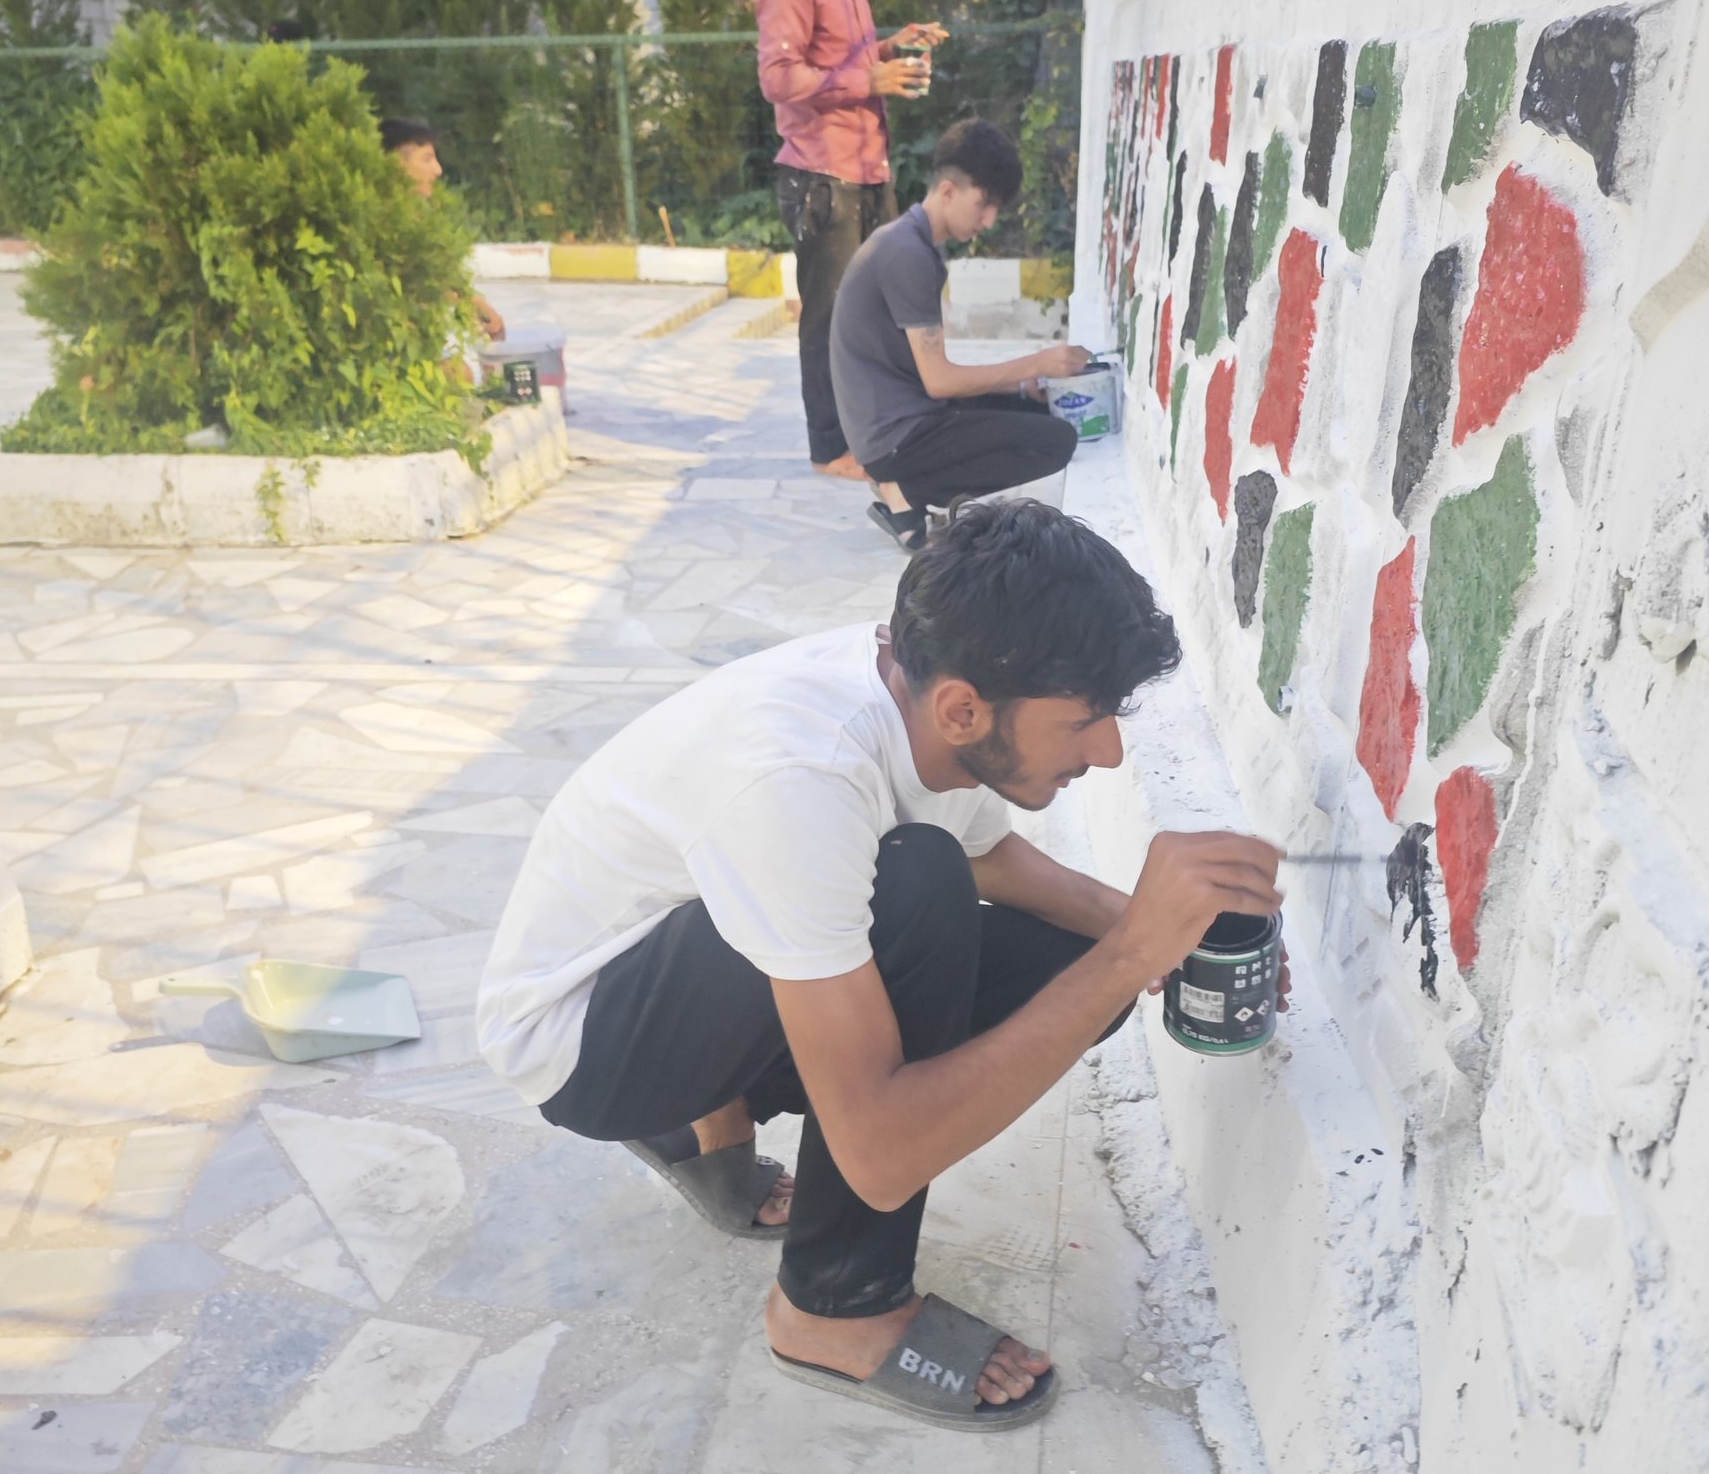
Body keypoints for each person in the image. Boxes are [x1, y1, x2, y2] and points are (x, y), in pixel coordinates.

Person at [477, 501, 1292, 1432]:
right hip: (588, 1045)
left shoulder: (919, 692)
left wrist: (1151, 934)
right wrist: (1132, 954)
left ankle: (718, 1124)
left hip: (675, 966)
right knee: (917, 888)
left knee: (1051, 953)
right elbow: (878, 1158)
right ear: (963, 709)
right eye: (1084, 722)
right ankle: (833, 1309)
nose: (1107, 753)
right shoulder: (802, 778)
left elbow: (997, 857)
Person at [756, 0, 949, 483]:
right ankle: (828, 447)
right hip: (821, 176)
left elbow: (847, 61)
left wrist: (893, 49)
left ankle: (883, 429)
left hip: (871, 170)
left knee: (886, 310)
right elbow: (779, 77)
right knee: (831, 320)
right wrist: (866, 81)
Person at [831, 118, 1093, 551]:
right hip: (894, 437)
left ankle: (906, 494)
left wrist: (1023, 384)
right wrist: (1039, 363)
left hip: (906, 415)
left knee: (1037, 413)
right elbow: (941, 380)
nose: (989, 220)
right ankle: (907, 490)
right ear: (949, 190)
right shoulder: (907, 254)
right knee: (1056, 441)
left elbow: (934, 377)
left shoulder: (912, 242)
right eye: (984, 203)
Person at [381, 116, 505, 344]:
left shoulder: (417, 216)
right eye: (427, 159)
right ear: (396, 163)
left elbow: (437, 276)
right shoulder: (382, 222)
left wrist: (476, 304)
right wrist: (469, 305)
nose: (437, 170)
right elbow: (421, 280)